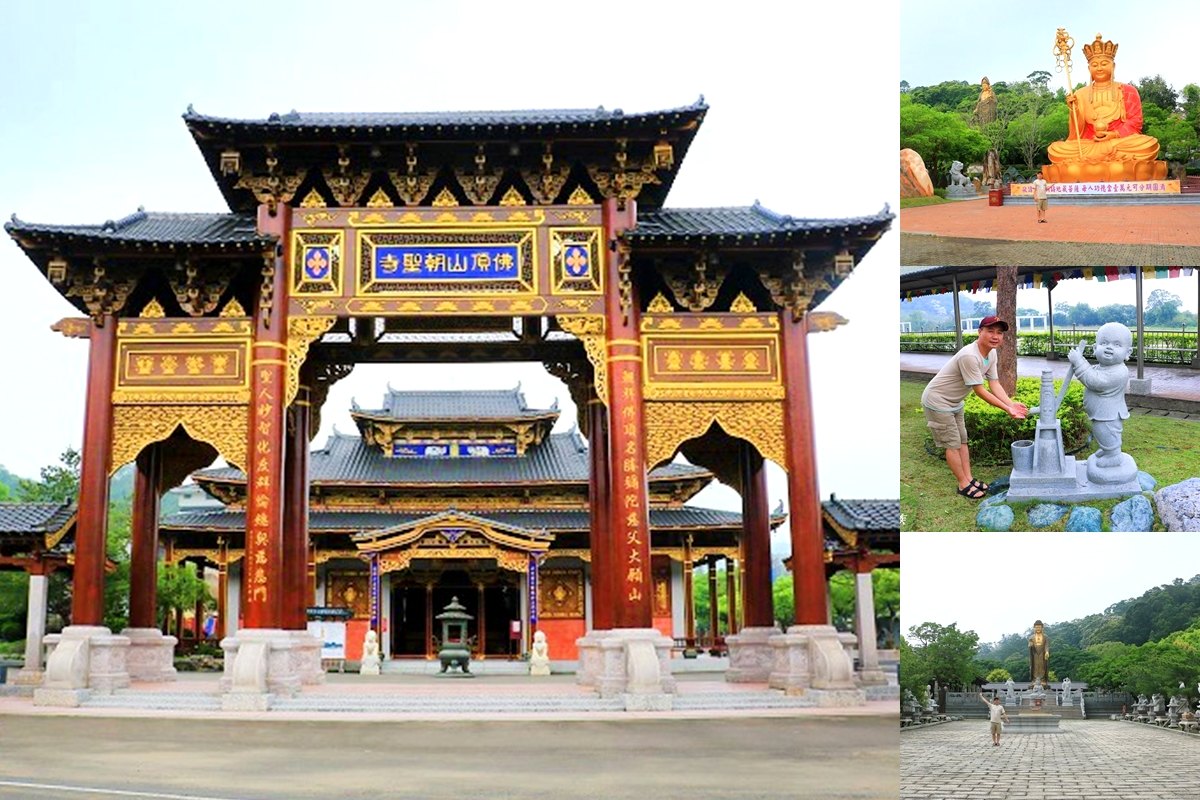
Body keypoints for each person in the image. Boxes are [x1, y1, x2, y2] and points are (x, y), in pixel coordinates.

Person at [921, 316, 1029, 499]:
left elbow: (994, 383)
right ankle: (963, 484)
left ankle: (969, 478)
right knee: (952, 444)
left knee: (962, 441)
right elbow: (979, 390)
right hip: (938, 401)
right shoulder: (969, 356)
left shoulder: (991, 354)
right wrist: (1007, 409)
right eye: (990, 331)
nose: (995, 336)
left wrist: (1011, 403)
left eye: (999, 333)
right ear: (980, 332)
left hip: (955, 402)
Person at [1045, 33, 1161, 181]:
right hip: (1088, 144)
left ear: (1113, 66)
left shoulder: (1128, 91)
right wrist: (1074, 110)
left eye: (1104, 64)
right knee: (1057, 149)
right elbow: (1076, 134)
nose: (1099, 68)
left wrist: (1114, 135)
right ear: (1089, 69)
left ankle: (1089, 166)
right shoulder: (1080, 94)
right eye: (1094, 65)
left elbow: (1136, 123)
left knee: (1148, 144)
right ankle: (1111, 165)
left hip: (1119, 143)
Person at [1066, 323, 1132, 467]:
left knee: (1107, 432)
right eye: (1104, 343)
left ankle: (1113, 455)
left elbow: (1094, 380)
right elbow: (1091, 371)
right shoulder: (1104, 367)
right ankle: (1107, 451)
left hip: (1109, 414)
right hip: (1101, 413)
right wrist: (1081, 360)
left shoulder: (1119, 372)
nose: (1109, 347)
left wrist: (1078, 362)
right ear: (1095, 348)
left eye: (1117, 344)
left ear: (1128, 353)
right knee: (1101, 432)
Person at [1029, 620, 1050, 686]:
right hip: (1035, 653)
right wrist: (1030, 645)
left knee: (1042, 666)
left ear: (1042, 628)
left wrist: (1047, 652)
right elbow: (1030, 645)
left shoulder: (1045, 637)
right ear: (1034, 628)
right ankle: (1035, 680)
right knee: (1035, 666)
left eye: (1039, 627)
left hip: (1042, 653)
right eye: (1036, 627)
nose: (1038, 629)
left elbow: (1046, 645)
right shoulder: (1031, 637)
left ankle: (1043, 680)